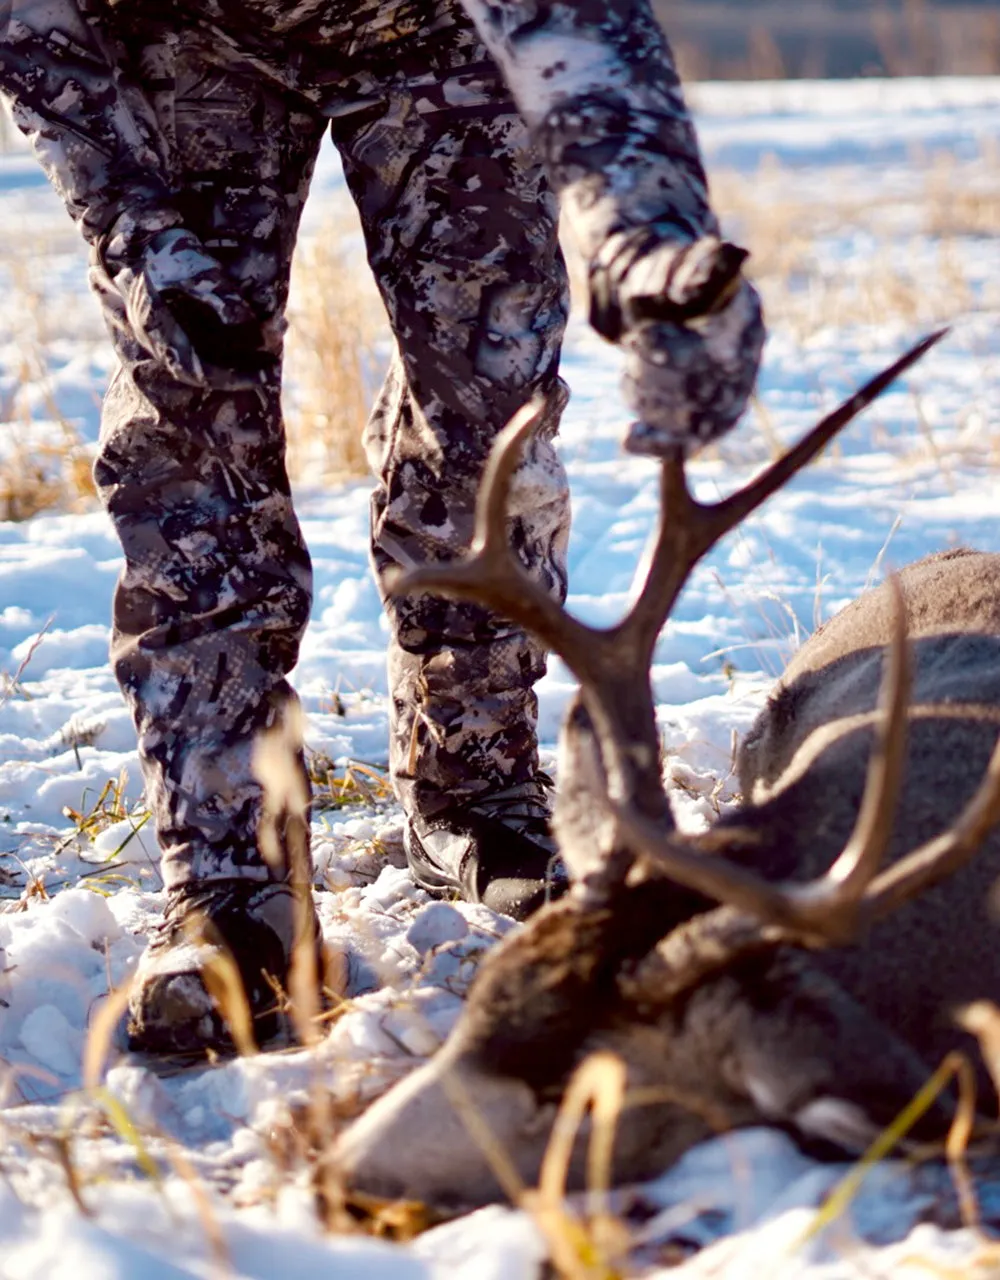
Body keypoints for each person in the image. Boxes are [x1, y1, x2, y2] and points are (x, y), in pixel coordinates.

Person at [0, 0, 764, 1054]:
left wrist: (648, 246)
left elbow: (580, 34)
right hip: (177, 35)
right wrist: (140, 239)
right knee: (188, 403)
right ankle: (230, 877)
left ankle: (473, 786)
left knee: (490, 397)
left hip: (437, 35)